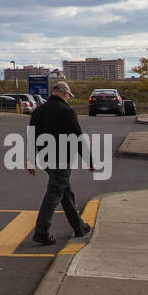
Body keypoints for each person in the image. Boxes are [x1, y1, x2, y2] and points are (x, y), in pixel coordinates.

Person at [27, 80, 98, 246]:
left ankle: (79, 227)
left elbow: (32, 138)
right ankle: (41, 231)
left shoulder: (38, 111)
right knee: (54, 192)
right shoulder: (67, 111)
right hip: (61, 158)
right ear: (65, 94)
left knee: (65, 192)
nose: (68, 99)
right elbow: (78, 138)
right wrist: (90, 161)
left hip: (45, 159)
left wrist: (31, 160)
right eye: (68, 96)